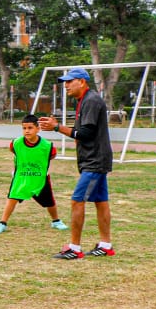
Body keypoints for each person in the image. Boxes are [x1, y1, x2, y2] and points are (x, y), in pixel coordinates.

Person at [39, 67, 114, 259]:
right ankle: (106, 245)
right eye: (65, 82)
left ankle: (75, 248)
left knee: (77, 200)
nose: (66, 86)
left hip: (94, 161)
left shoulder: (91, 100)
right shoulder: (85, 100)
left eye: (69, 81)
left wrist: (57, 127)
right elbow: (82, 133)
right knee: (100, 201)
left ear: (82, 81)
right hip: (95, 159)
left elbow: (86, 134)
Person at [0, 114, 67, 235]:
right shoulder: (16, 143)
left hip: (40, 179)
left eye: (30, 128)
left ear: (38, 129)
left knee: (50, 202)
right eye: (24, 128)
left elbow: (52, 155)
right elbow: (14, 151)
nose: (27, 131)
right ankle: (2, 223)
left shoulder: (47, 146)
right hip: (21, 178)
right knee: (12, 198)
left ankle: (56, 221)